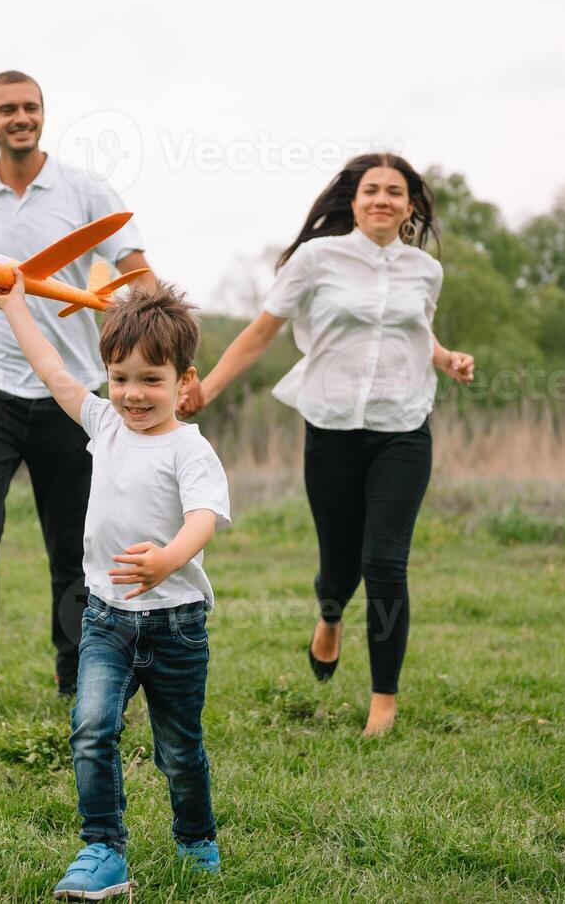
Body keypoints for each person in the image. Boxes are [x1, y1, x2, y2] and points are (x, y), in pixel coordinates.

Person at [179, 152, 474, 737]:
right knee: (339, 568)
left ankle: (382, 704)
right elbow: (261, 331)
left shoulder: (425, 271)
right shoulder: (317, 260)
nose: (382, 200)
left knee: (384, 562)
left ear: (410, 205)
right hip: (332, 426)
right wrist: (207, 387)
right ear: (355, 201)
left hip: (404, 426)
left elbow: (417, 328)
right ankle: (330, 615)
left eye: (395, 191)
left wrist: (446, 357)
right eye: (372, 190)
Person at [0, 273, 229, 899]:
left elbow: (204, 517)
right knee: (92, 725)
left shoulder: (191, 449)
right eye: (121, 378)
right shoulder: (105, 425)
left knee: (179, 748)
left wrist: (168, 559)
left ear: (185, 381)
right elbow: (52, 371)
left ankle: (195, 836)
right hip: (105, 619)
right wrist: (14, 304)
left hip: (176, 625)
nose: (133, 393)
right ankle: (103, 848)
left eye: (152, 379)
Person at [0, 70, 155, 710]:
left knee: (75, 540)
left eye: (29, 107)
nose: (19, 117)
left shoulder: (82, 188)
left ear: (44, 115)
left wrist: (164, 341)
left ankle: (76, 669)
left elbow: (134, 268)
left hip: (69, 390)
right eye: (7, 109)